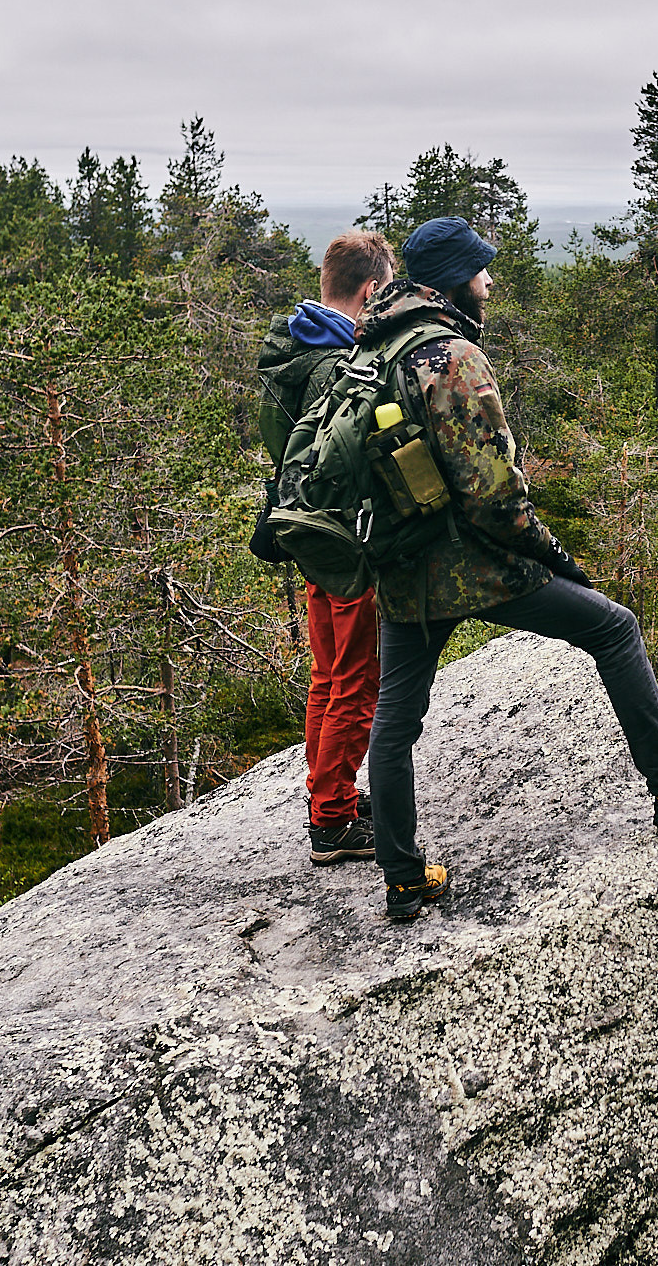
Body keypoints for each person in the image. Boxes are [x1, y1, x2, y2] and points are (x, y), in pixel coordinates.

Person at [356, 216, 658, 922]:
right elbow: (492, 494)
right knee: (615, 628)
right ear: (454, 280)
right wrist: (553, 555)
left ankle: (403, 878)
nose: (489, 282)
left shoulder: (373, 347)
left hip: (401, 564)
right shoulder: (451, 357)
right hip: (472, 565)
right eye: (481, 270)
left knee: (395, 718)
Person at [255, 229, 397, 865]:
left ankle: (327, 796)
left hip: (306, 533)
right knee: (357, 680)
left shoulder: (291, 348)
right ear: (369, 290)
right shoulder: (340, 367)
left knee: (328, 674)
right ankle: (333, 819)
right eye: (384, 292)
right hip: (346, 537)